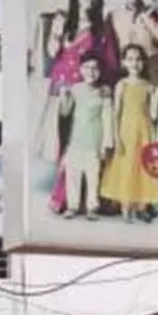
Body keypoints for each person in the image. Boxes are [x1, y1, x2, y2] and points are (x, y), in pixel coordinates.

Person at [37, 0, 120, 216]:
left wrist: (105, 87)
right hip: (61, 89)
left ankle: (63, 198)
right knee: (61, 143)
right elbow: (53, 52)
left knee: (78, 144)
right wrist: (56, 29)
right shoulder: (65, 21)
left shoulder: (101, 28)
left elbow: (109, 62)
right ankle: (72, 197)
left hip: (85, 92)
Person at [99, 44, 158, 223]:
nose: (134, 63)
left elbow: (153, 115)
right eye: (130, 59)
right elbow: (115, 114)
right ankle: (125, 207)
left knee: (141, 168)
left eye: (138, 59)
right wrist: (116, 138)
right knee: (126, 167)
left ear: (143, 62)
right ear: (124, 62)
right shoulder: (121, 85)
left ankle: (141, 206)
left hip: (144, 132)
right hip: (126, 132)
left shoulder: (147, 86)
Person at [56, 52, 115, 220]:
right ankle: (72, 206)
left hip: (94, 144)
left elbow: (107, 119)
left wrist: (106, 144)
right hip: (75, 142)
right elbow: (65, 111)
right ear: (81, 69)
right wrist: (64, 95)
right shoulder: (75, 89)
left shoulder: (103, 93)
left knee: (93, 178)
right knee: (72, 176)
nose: (91, 71)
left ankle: (92, 207)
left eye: (95, 68)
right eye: (87, 67)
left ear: (101, 71)